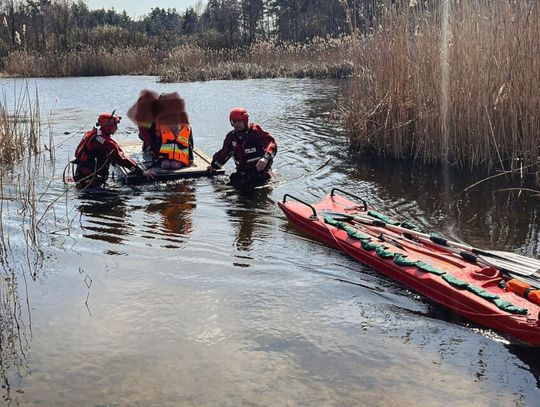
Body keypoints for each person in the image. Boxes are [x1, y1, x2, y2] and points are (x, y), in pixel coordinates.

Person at [73, 112, 153, 189]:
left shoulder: (94, 134)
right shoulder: (106, 142)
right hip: (91, 182)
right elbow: (121, 159)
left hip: (82, 177)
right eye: (115, 125)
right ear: (108, 126)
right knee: (127, 196)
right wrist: (141, 172)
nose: (117, 128)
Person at [207, 107, 277, 187]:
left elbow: (271, 143)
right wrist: (213, 166)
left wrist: (265, 158)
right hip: (242, 172)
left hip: (260, 173)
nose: (237, 124)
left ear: (245, 120)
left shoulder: (255, 131)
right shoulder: (231, 137)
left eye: (239, 121)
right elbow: (224, 153)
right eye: (234, 121)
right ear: (231, 122)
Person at [155, 92, 194, 169]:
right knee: (165, 165)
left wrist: (191, 158)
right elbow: (158, 141)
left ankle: (180, 161)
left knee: (175, 165)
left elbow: (188, 141)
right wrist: (156, 157)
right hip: (166, 156)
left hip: (180, 155)